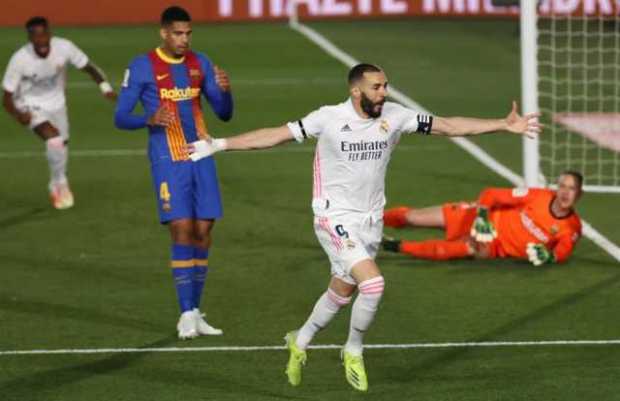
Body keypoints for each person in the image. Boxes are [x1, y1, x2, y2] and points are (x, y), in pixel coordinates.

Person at [186, 63, 540, 391]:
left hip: (369, 222)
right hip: (333, 218)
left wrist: (503, 124)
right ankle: (353, 349)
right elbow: (275, 135)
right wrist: (220, 144)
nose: (384, 92)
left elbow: (448, 126)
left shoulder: (396, 116)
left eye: (385, 86)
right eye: (377, 87)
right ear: (357, 91)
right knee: (373, 284)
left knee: (342, 291)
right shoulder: (328, 118)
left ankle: (301, 339)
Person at [114, 6, 233, 339]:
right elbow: (120, 116)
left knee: (203, 231)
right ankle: (184, 313)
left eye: (188, 33)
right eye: (178, 33)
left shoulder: (201, 63)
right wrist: (147, 119)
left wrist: (226, 91)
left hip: (202, 153)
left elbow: (224, 114)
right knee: (181, 228)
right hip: (168, 157)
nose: (184, 39)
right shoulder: (141, 66)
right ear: (164, 33)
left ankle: (195, 310)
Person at [2, 16, 116, 209]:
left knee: (60, 145)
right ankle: (59, 184)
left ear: (50, 33)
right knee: (53, 139)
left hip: (58, 105)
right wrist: (18, 114)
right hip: (30, 106)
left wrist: (105, 87)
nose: (41, 40)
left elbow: (88, 67)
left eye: (44, 34)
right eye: (36, 36)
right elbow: (6, 97)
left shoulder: (64, 47)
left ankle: (57, 179)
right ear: (29, 38)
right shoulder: (20, 59)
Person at [382, 172, 583, 266]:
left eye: (571, 188)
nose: (565, 193)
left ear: (579, 194)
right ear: (557, 188)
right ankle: (370, 219)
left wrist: (550, 257)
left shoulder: (571, 228)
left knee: (466, 248)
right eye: (563, 186)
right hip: (477, 216)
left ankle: (394, 246)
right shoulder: (538, 195)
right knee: (412, 217)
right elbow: (490, 194)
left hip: (493, 244)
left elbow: (562, 252)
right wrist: (483, 217)